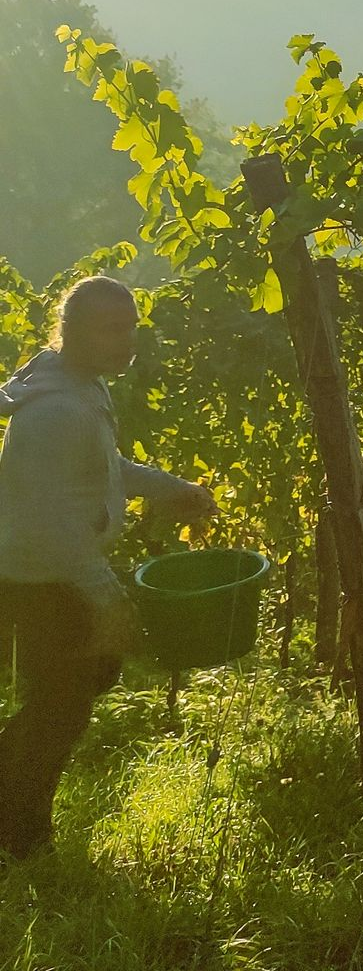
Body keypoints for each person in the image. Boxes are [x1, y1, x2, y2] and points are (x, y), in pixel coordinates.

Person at [0, 275, 215, 859]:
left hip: (52, 572)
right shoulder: (55, 412)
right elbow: (54, 528)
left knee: (74, 690)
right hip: (40, 578)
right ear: (71, 332)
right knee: (62, 705)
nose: (127, 341)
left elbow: (102, 467)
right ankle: (23, 841)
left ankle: (17, 823)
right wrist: (106, 598)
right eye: (111, 329)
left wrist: (170, 488)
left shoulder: (80, 385)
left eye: (130, 328)